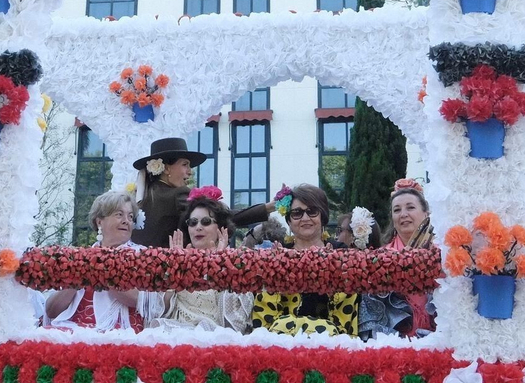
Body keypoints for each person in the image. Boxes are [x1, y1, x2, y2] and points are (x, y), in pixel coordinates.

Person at [252, 184, 359, 337]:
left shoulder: (341, 252)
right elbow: (265, 319)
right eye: (297, 213)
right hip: (283, 343)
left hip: (332, 342)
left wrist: (330, 270)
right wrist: (274, 269)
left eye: (312, 211)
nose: (305, 218)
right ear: (289, 220)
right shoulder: (277, 254)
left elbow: (345, 314)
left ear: (323, 217)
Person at [143, 187, 252, 331]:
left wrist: (222, 266)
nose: (198, 227)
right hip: (176, 334)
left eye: (206, 221)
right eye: (193, 222)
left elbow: (235, 324)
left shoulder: (235, 262)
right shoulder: (177, 260)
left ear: (220, 227)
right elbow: (157, 311)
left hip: (215, 337)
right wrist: (174, 270)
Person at [133, 137, 269, 248]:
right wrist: (267, 208)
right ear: (166, 169)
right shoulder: (177, 194)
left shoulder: (139, 196)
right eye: (185, 164)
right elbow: (220, 216)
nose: (190, 172)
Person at [45, 191, 145, 332]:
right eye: (119, 214)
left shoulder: (141, 255)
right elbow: (51, 311)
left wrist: (101, 270)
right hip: (74, 329)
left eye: (130, 216)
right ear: (99, 222)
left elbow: (141, 301)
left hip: (120, 329)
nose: (126, 221)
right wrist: (76, 277)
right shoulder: (79, 257)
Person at [359, 181, 436, 338]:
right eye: (397, 210)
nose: (403, 214)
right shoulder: (380, 259)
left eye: (410, 207)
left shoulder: (445, 253)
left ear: (426, 213)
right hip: (395, 343)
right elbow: (372, 314)